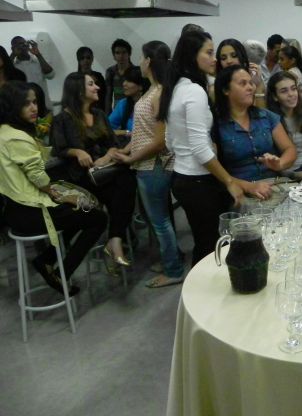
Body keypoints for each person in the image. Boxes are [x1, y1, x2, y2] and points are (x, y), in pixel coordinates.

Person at [0, 81, 107, 295]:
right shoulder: (17, 137)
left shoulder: (5, 131)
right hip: (29, 212)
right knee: (98, 217)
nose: (34, 108)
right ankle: (61, 274)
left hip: (14, 209)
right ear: (13, 107)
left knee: (79, 214)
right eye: (26, 104)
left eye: (34, 102)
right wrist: (64, 196)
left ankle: (46, 260)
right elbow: (38, 178)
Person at [158, 31, 243, 267]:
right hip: (198, 181)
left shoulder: (176, 87)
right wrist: (229, 181)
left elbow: (169, 141)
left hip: (183, 177)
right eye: (209, 52)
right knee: (211, 247)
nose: (214, 58)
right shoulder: (194, 91)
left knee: (204, 242)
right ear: (192, 55)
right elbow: (199, 149)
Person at [112, 41, 184, 288]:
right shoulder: (152, 91)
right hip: (146, 164)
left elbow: (160, 140)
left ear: (149, 61)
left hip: (153, 165)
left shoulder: (159, 93)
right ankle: (171, 258)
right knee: (157, 219)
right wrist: (125, 150)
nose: (140, 63)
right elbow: (142, 132)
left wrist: (131, 158)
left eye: (143, 58)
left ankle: (174, 269)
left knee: (160, 221)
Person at [51, 72, 137, 272]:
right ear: (79, 90)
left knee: (125, 182)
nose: (97, 87)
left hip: (106, 172)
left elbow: (114, 144)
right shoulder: (62, 119)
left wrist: (106, 157)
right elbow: (58, 149)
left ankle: (115, 240)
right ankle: (116, 241)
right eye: (91, 84)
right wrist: (77, 151)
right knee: (123, 188)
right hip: (81, 179)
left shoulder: (99, 114)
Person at [214, 65, 297, 185]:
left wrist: (279, 164)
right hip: (240, 187)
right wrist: (248, 187)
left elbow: (290, 149)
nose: (250, 88)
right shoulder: (217, 124)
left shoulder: (266, 116)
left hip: (274, 182)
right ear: (226, 90)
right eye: (243, 83)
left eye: (251, 83)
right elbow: (215, 170)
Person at [266, 71, 302, 178]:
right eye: (284, 91)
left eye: (293, 88)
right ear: (275, 96)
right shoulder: (271, 119)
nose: (291, 94)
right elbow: (275, 162)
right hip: (288, 173)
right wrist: (294, 175)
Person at [10, 36, 55, 111]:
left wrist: (38, 54)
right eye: (19, 45)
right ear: (13, 48)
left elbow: (51, 75)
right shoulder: (13, 67)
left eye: (24, 43)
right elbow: (4, 75)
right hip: (24, 110)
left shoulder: (38, 62)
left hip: (44, 108)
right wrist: (13, 55)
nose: (23, 46)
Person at [108, 66, 147, 136]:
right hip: (128, 141)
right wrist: (126, 132)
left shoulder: (150, 104)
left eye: (129, 81)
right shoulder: (123, 104)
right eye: (125, 80)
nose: (124, 84)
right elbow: (107, 129)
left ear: (141, 86)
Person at [105, 38, 137, 114]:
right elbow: (108, 95)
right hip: (117, 112)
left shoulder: (136, 72)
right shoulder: (110, 71)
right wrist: (107, 115)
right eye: (117, 53)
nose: (121, 56)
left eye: (124, 52)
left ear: (129, 54)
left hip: (133, 112)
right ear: (114, 55)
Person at [76, 47, 107, 112]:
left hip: (99, 112)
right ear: (78, 60)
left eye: (88, 58)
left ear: (92, 59)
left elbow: (104, 96)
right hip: (81, 113)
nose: (85, 60)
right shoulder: (74, 78)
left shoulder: (99, 76)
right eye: (82, 58)